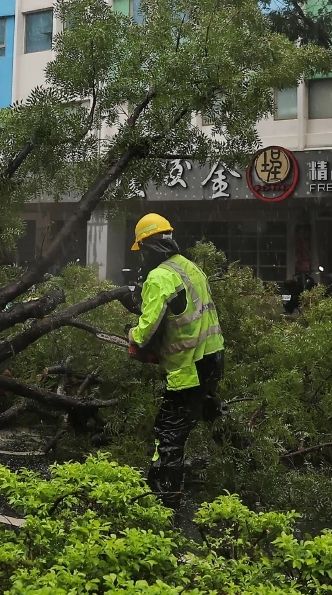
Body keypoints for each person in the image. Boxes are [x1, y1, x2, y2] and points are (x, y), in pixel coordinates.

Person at [127, 213, 225, 508]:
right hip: (213, 358)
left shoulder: (159, 277)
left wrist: (132, 334)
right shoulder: (189, 267)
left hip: (189, 367)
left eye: (142, 250)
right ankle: (247, 458)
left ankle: (166, 498)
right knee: (211, 412)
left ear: (147, 246)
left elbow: (146, 333)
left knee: (168, 432)